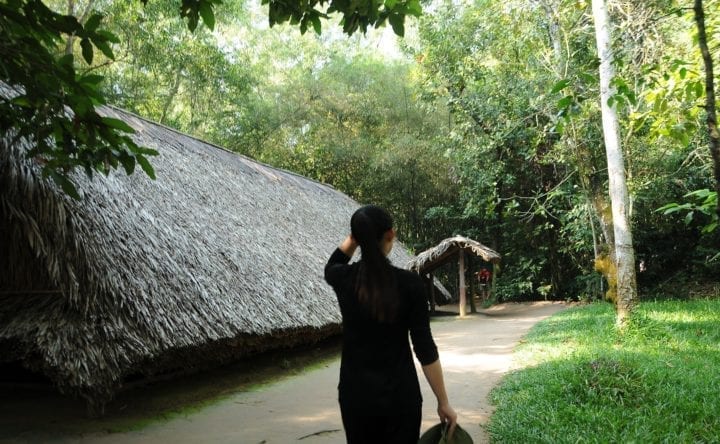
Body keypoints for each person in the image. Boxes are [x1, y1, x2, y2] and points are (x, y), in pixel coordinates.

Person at [324, 205, 457, 444]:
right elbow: (424, 349)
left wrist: (356, 238)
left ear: (356, 238)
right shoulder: (411, 285)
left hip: (356, 396)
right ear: (391, 234)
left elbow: (332, 263)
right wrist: (443, 401)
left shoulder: (341, 278)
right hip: (400, 397)